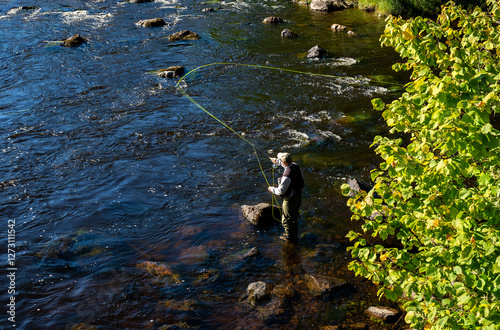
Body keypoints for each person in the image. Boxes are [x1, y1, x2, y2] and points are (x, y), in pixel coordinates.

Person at [268, 152, 304, 243]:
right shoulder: (295, 165)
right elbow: (285, 165)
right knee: (294, 217)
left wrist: (271, 189)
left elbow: (280, 191)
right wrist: (276, 161)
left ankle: (290, 238)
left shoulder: (286, 177)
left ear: (283, 162)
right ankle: (294, 235)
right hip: (298, 196)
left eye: (280, 160)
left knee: (286, 220)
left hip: (290, 199)